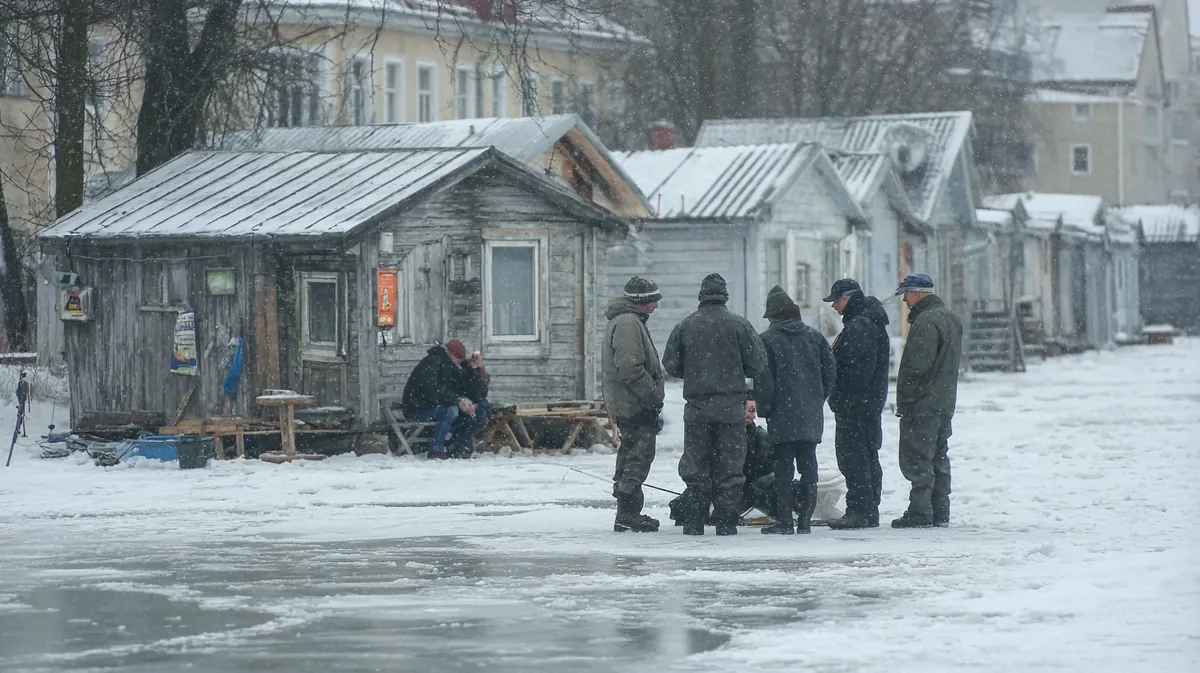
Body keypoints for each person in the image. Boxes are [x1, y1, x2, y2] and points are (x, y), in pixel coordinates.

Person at [662, 273, 767, 536]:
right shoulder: (739, 325)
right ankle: (726, 521)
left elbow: (671, 364)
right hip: (731, 408)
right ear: (724, 296)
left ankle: (694, 520)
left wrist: (696, 371)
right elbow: (757, 363)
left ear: (701, 296)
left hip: (697, 408)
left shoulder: (686, 325)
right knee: (730, 466)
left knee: (696, 465)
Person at [754, 285, 836, 535]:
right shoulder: (815, 337)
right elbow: (830, 372)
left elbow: (764, 380)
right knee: (809, 467)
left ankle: (785, 521)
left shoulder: (766, 340)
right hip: (809, 414)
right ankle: (805, 521)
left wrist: (765, 409)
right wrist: (817, 399)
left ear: (774, 316)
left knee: (783, 470)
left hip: (781, 414)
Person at [891, 273, 962, 528]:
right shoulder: (951, 318)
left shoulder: (925, 322)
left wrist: (906, 400)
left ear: (918, 293)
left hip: (924, 403)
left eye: (906, 295)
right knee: (939, 456)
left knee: (918, 458)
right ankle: (940, 510)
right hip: (944, 400)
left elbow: (917, 367)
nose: (905, 301)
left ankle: (920, 511)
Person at [822, 278, 891, 530]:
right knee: (867, 456)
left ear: (847, 298)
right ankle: (868, 509)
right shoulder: (867, 322)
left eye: (836, 301)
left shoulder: (860, 326)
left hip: (856, 407)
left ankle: (859, 511)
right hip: (867, 405)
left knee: (854, 458)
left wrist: (841, 397)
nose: (833, 307)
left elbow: (857, 371)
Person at [602, 276, 667, 533]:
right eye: (653, 300)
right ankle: (628, 514)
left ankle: (626, 513)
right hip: (634, 404)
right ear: (642, 300)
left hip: (629, 402)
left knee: (631, 456)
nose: (656, 305)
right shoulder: (628, 323)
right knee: (638, 458)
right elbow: (630, 369)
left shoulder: (628, 320)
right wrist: (653, 396)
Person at [667, 397, 775, 526]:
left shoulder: (760, 438)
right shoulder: (716, 436)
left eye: (753, 410)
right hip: (718, 489)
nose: (752, 415)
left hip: (744, 489)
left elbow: (766, 470)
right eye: (748, 410)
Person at [401, 339, 491, 459]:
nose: (460, 362)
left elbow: (477, 394)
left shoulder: (455, 366)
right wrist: (458, 400)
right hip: (418, 409)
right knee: (451, 410)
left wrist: (479, 369)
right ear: (450, 353)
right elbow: (432, 390)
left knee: (482, 406)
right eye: (458, 358)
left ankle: (456, 446)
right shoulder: (432, 362)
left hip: (440, 406)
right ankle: (435, 450)